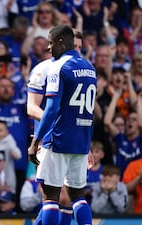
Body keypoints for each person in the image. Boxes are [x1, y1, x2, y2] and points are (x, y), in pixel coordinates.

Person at [27, 25, 96, 225]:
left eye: (50, 43)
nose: (48, 48)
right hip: (81, 140)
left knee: (50, 196)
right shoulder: (90, 68)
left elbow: (51, 109)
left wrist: (37, 140)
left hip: (58, 138)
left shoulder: (58, 67)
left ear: (60, 43)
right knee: (78, 196)